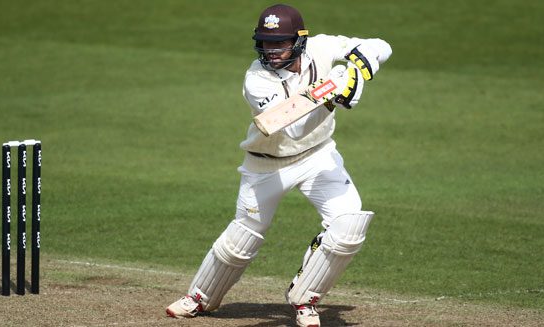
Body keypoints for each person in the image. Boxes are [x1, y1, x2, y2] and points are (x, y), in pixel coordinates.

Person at [166, 4, 392, 327]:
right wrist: (332, 94)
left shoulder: (322, 46)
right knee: (242, 239)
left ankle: (305, 299)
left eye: (279, 43)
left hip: (318, 156)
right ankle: (200, 297)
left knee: (349, 225)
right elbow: (295, 127)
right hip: (266, 166)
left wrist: (360, 64)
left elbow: (383, 45)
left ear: (299, 41)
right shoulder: (255, 80)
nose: (271, 51)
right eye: (266, 43)